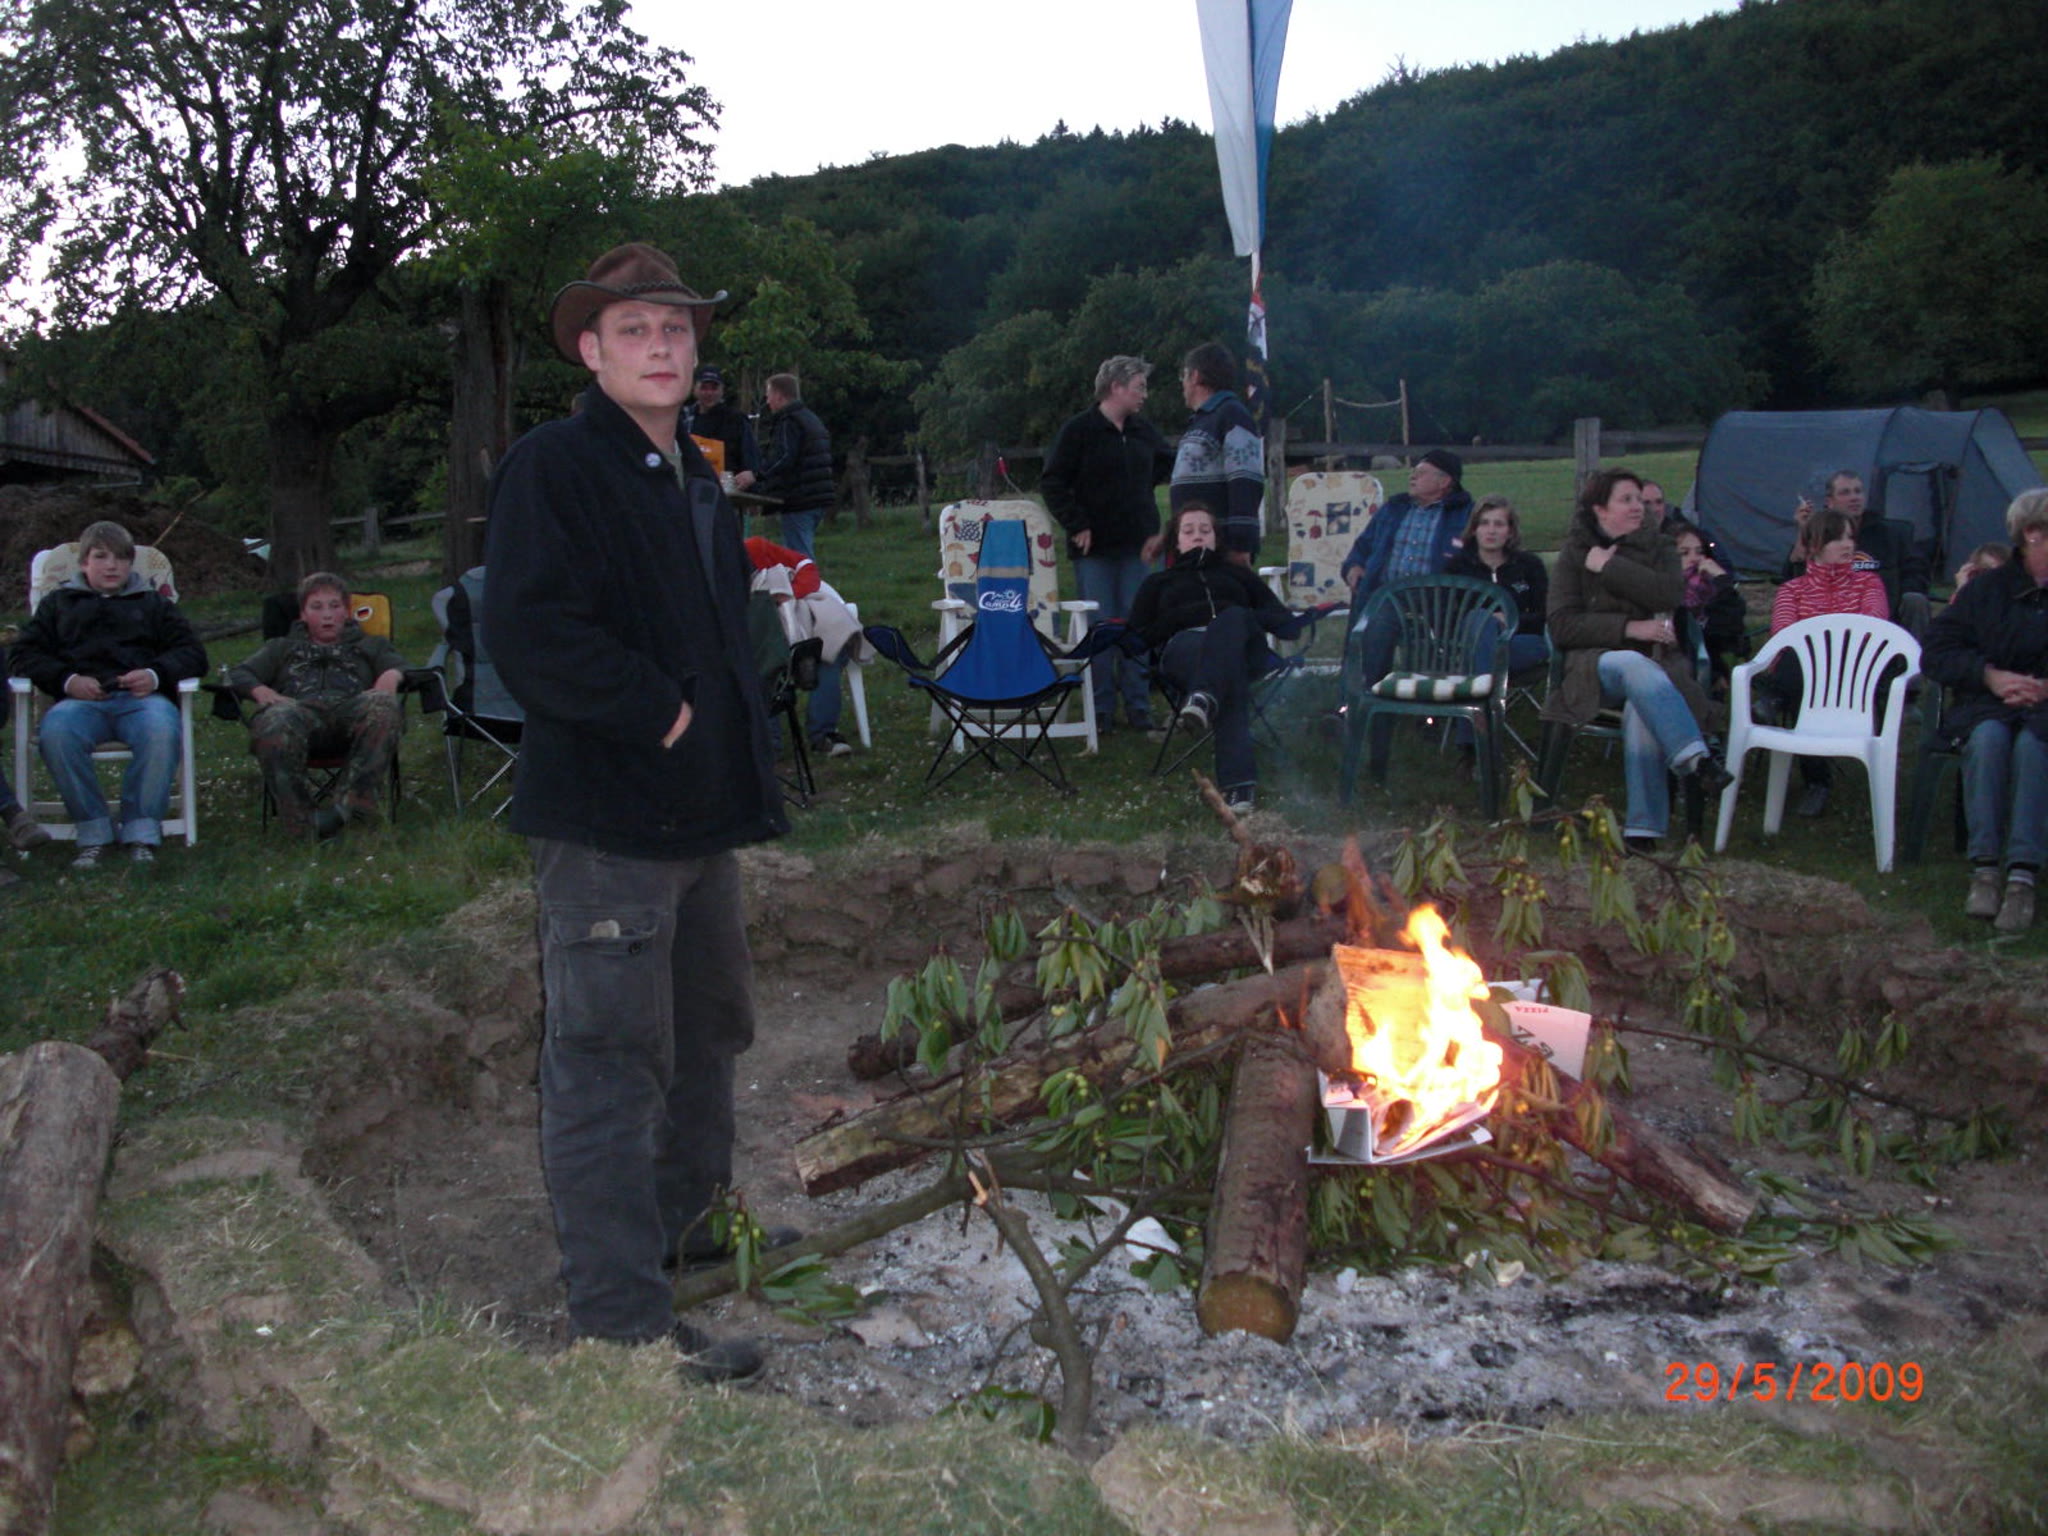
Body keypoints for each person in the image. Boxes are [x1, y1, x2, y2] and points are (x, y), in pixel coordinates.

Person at [484, 241, 790, 1379]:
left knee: (707, 1033)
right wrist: (657, 711)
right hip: (607, 819)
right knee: (610, 1064)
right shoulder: (555, 466)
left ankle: (689, 1232)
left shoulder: (694, 475)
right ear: (590, 349)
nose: (661, 346)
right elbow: (528, 631)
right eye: (634, 330)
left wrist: (733, 752)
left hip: (700, 817)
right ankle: (621, 1330)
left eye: (675, 329)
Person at [1543, 469, 1731, 851]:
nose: (1638, 507)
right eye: (1626, 500)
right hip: (1594, 664)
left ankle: (1643, 832)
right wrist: (1629, 627)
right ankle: (1697, 758)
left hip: (1658, 664)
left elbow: (1668, 595)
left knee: (1640, 709)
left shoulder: (1661, 548)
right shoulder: (1575, 554)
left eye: (1640, 500)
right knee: (1631, 662)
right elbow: (1562, 626)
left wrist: (1609, 566)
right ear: (1600, 509)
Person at [8, 520, 206, 869]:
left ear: (131, 563)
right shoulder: (59, 604)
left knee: (161, 730)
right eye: (101, 557)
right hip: (80, 702)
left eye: (120, 558)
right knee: (57, 733)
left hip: (142, 701)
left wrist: (154, 675)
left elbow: (193, 654)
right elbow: (23, 654)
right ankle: (93, 830)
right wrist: (68, 680)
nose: (111, 566)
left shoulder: (152, 603)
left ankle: (141, 830)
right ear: (84, 562)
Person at [1921, 489, 2048, 933]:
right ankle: (1986, 869)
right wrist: (1990, 676)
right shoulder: (1987, 590)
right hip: (1988, 701)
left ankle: (2023, 876)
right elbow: (1937, 652)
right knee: (1989, 738)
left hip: (2046, 707)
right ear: (2032, 534)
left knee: (2034, 745)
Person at [1127, 502, 1301, 814]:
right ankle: (1239, 786)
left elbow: (1286, 625)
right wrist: (1179, 618)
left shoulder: (1239, 575)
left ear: (1215, 539)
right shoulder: (1158, 583)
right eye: (1188, 531)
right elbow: (1136, 638)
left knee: (1231, 619)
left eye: (1205, 530)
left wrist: (1241, 617)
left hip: (1244, 648)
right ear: (1176, 542)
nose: (1197, 536)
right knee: (1229, 675)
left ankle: (1204, 698)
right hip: (1186, 650)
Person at [1041, 355, 1173, 732]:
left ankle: (1139, 706)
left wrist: (1141, 496)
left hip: (1139, 546)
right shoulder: (1079, 431)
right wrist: (1077, 523)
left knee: (1137, 624)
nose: (1144, 394)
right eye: (1139, 387)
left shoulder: (1143, 431)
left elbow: (1166, 462)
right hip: (1094, 548)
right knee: (1099, 626)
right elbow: (1052, 482)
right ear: (1116, 387)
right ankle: (1099, 709)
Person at [227, 572, 408, 839]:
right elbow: (238, 673)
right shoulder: (281, 648)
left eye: (335, 606)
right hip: (299, 715)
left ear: (347, 612)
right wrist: (260, 691)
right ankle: (303, 822)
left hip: (353, 714)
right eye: (317, 607)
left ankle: (350, 810)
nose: (327, 615)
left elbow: (404, 666)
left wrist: (392, 674)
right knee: (273, 719)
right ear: (303, 614)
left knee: (383, 705)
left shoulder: (370, 645)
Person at [1338, 449, 1474, 770]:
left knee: (1422, 642)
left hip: (1438, 601)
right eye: (1414, 470)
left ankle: (1427, 714)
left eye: (1422, 472)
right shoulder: (1395, 508)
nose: (1413, 476)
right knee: (1376, 625)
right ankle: (1360, 706)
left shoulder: (1464, 514)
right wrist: (1354, 566)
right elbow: (1363, 547)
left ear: (1445, 481)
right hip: (1388, 595)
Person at [1755, 509, 1891, 820]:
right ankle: (1816, 780)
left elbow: (1873, 627)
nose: (1847, 544)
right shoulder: (1792, 590)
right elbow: (1782, 637)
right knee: (1796, 656)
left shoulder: (1868, 584)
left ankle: (1773, 700)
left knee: (1807, 659)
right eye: (1836, 538)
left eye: (1850, 537)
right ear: (1814, 546)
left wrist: (1824, 642)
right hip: (1804, 675)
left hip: (1852, 673)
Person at [743, 535, 871, 757]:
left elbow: (805, 565)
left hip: (795, 622)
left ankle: (823, 734)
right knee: (763, 658)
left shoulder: (755, 547)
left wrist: (789, 595)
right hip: (753, 636)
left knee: (830, 651)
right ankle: (769, 741)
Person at [1787, 470, 1931, 636]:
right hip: (1832, 613)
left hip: (1886, 613)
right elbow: (1793, 578)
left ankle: (1914, 652)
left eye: (1858, 491)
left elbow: (1917, 571)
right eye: (1845, 493)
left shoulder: (1892, 533)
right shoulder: (1820, 533)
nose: (1854, 497)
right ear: (1829, 502)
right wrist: (1804, 531)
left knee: (1915, 600)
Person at [1169, 343, 1264, 563]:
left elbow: (1245, 479)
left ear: (1195, 376)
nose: (1182, 384)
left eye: (1183, 376)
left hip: (1221, 546)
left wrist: (1240, 544)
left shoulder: (1231, 415)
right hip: (1195, 546)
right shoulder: (1204, 419)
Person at [1443, 494, 1551, 675]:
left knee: (1488, 648)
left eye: (1499, 524)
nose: (1491, 531)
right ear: (1474, 529)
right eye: (1484, 523)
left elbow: (1545, 616)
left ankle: (1480, 686)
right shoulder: (1457, 568)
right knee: (1479, 618)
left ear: (1510, 531)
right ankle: (1487, 688)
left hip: (1520, 641)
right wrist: (1487, 622)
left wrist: (1509, 620)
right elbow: (1446, 618)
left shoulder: (1530, 565)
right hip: (1468, 642)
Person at [756, 372, 833, 557]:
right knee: (799, 549)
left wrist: (757, 474)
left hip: (799, 498)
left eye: (769, 395)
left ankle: (806, 578)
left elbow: (784, 457)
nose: (767, 401)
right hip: (816, 496)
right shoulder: (810, 418)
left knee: (798, 556)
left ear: (779, 396)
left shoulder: (788, 421)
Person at [1667, 516, 1750, 685]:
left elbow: (1731, 628)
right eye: (1684, 553)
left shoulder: (1709, 590)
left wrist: (1722, 580)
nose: (1694, 558)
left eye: (1699, 552)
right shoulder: (1660, 590)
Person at [681, 363, 759, 489]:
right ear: (694, 389)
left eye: (714, 388)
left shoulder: (736, 420)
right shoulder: (684, 419)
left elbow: (752, 458)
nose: (709, 393)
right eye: (704, 388)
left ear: (722, 390)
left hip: (724, 489)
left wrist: (750, 472)